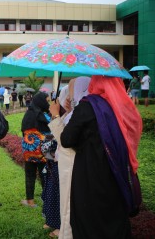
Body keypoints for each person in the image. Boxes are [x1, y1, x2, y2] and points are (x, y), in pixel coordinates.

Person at [56, 75, 142, 238]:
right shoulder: (123, 106)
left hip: (90, 177)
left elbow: (67, 140)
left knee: (89, 221)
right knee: (114, 219)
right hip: (117, 176)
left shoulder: (88, 106)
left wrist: (68, 113)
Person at [48, 77, 91, 239]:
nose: (69, 95)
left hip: (72, 166)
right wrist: (66, 112)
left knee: (68, 207)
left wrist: (56, 115)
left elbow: (65, 140)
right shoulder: (76, 112)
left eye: (72, 91)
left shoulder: (81, 114)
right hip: (67, 165)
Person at [20, 92, 50, 208]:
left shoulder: (28, 114)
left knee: (30, 175)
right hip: (44, 151)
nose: (48, 103)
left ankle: (30, 201)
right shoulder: (44, 116)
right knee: (45, 175)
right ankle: (47, 199)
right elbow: (51, 131)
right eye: (46, 101)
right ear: (41, 101)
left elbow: (23, 130)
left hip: (30, 150)